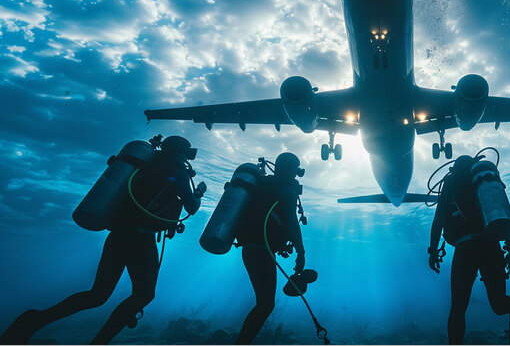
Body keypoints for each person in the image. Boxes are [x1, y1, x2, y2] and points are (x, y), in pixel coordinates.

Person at [0, 136, 201, 345]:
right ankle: (99, 342)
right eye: (187, 153)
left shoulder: (145, 163)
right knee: (143, 295)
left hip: (119, 234)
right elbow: (192, 207)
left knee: (98, 294)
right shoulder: (177, 169)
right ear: (181, 152)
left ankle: (33, 320)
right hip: (142, 238)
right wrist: (198, 192)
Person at [428, 155, 510, 345]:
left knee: (458, 308)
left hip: (465, 248)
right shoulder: (483, 182)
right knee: (499, 304)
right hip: (491, 247)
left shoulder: (452, 181)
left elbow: (439, 219)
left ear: (454, 169)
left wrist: (433, 251)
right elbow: (500, 213)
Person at [234, 152, 307, 345]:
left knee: (264, 303)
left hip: (250, 248)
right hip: (262, 250)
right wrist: (301, 252)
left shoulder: (261, 184)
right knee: (266, 304)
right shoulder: (286, 190)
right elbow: (292, 221)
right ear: (293, 170)